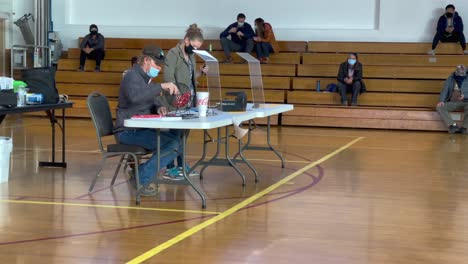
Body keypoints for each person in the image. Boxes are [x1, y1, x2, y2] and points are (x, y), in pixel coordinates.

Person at [114, 45, 182, 196]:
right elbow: (136, 97)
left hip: (140, 129)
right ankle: (141, 177)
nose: (158, 68)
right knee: (174, 145)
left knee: (177, 141)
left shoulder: (146, 79)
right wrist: (161, 86)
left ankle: (141, 172)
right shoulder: (131, 76)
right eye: (156, 64)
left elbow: (151, 99)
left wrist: (159, 107)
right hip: (128, 131)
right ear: (146, 60)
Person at [161, 24, 208, 178]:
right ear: (186, 40)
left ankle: (181, 165)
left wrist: (200, 72)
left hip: (189, 102)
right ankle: (169, 167)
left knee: (183, 136)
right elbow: (168, 77)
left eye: (197, 48)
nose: (194, 50)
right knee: (173, 136)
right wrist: (178, 94)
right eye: (193, 46)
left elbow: (190, 78)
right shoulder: (173, 54)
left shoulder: (191, 56)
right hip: (175, 102)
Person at [436, 64, 468, 134]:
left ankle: (465, 127)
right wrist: (441, 101)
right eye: (459, 73)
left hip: (466, 101)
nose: (461, 74)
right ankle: (453, 125)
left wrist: (464, 96)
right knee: (440, 107)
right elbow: (445, 90)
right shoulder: (451, 78)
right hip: (454, 102)